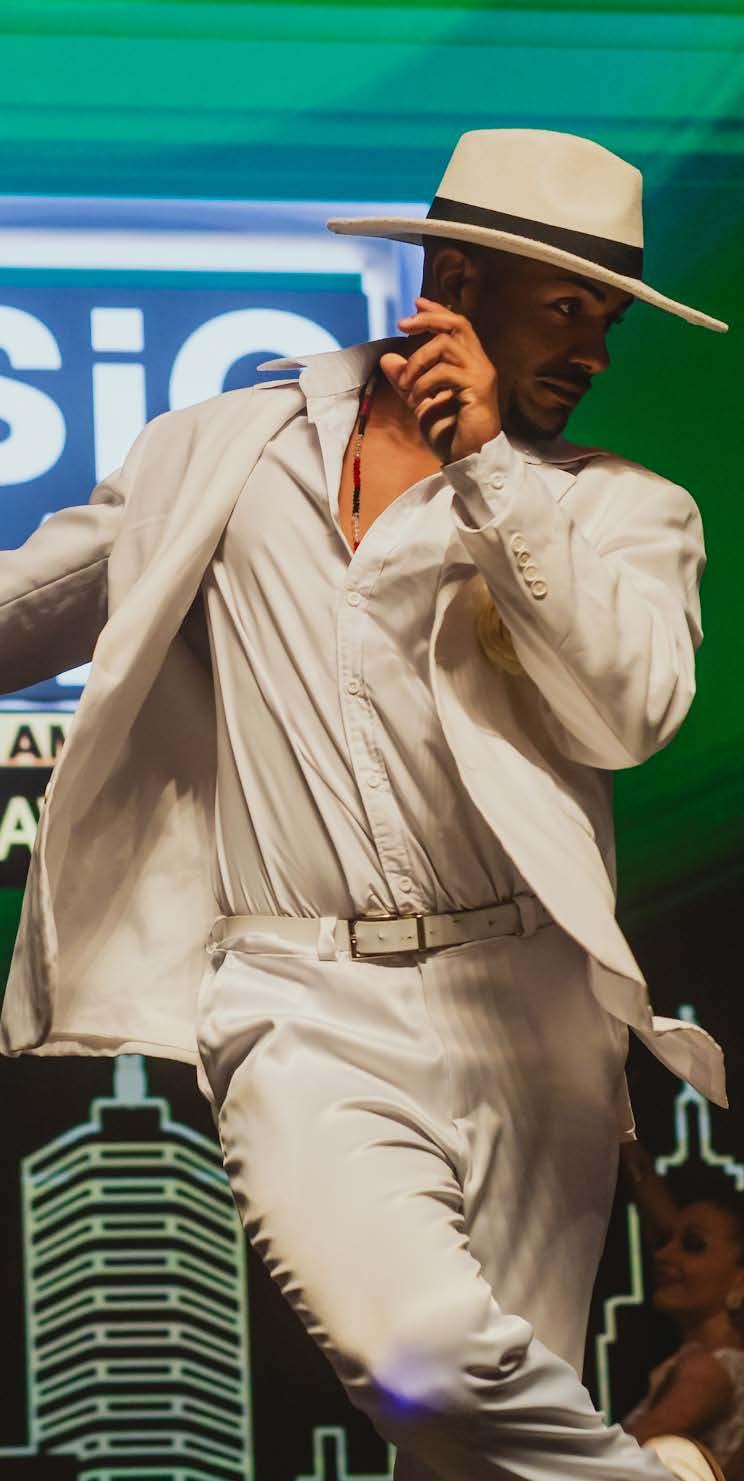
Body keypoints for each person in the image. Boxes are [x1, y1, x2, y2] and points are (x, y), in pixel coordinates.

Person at [0, 128, 731, 1480]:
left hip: (529, 1017)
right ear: (456, 279)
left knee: (476, 1451)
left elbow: (627, 714)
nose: (595, 349)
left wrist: (493, 471)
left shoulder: (625, 510)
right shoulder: (225, 451)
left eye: (609, 319)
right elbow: (28, 604)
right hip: (301, 1001)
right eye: (570, 307)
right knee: (424, 1363)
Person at [622, 1145, 744, 1476]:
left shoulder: (708, 1372)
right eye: (665, 1242)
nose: (663, 1255)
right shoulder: (714, 1360)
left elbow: (616, 1458)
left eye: (692, 1245)